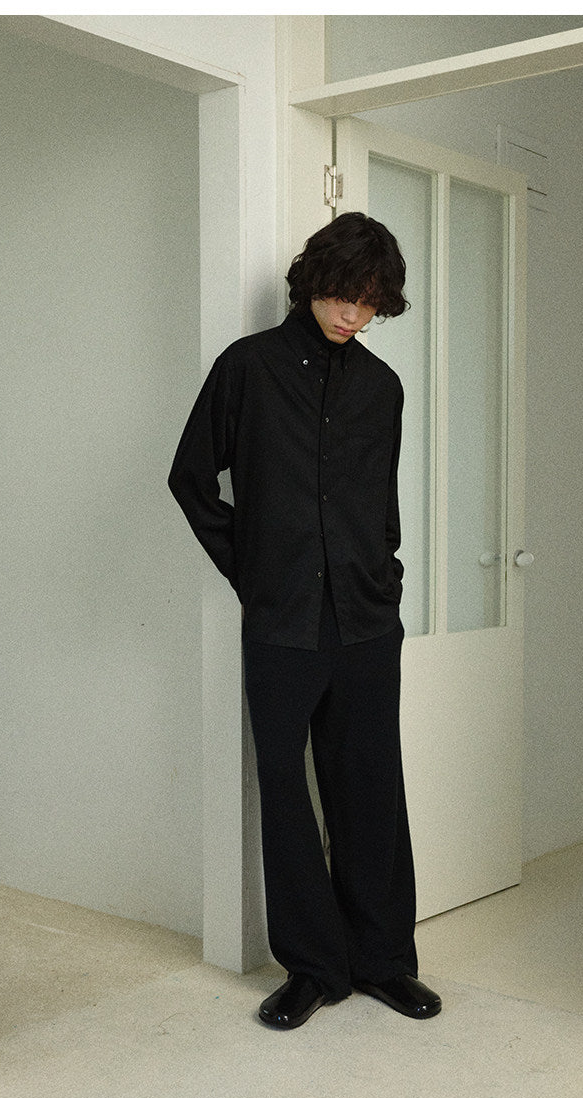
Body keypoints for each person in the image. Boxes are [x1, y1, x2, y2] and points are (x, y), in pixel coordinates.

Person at [169, 212, 441, 1029]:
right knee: (287, 792)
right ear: (313, 281)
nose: (353, 315)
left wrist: (385, 579)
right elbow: (190, 477)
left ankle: (384, 959)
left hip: (366, 621)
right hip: (282, 621)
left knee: (371, 787)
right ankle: (314, 968)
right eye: (343, 296)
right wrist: (250, 569)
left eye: (371, 303)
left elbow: (381, 504)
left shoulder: (382, 389)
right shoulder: (247, 368)